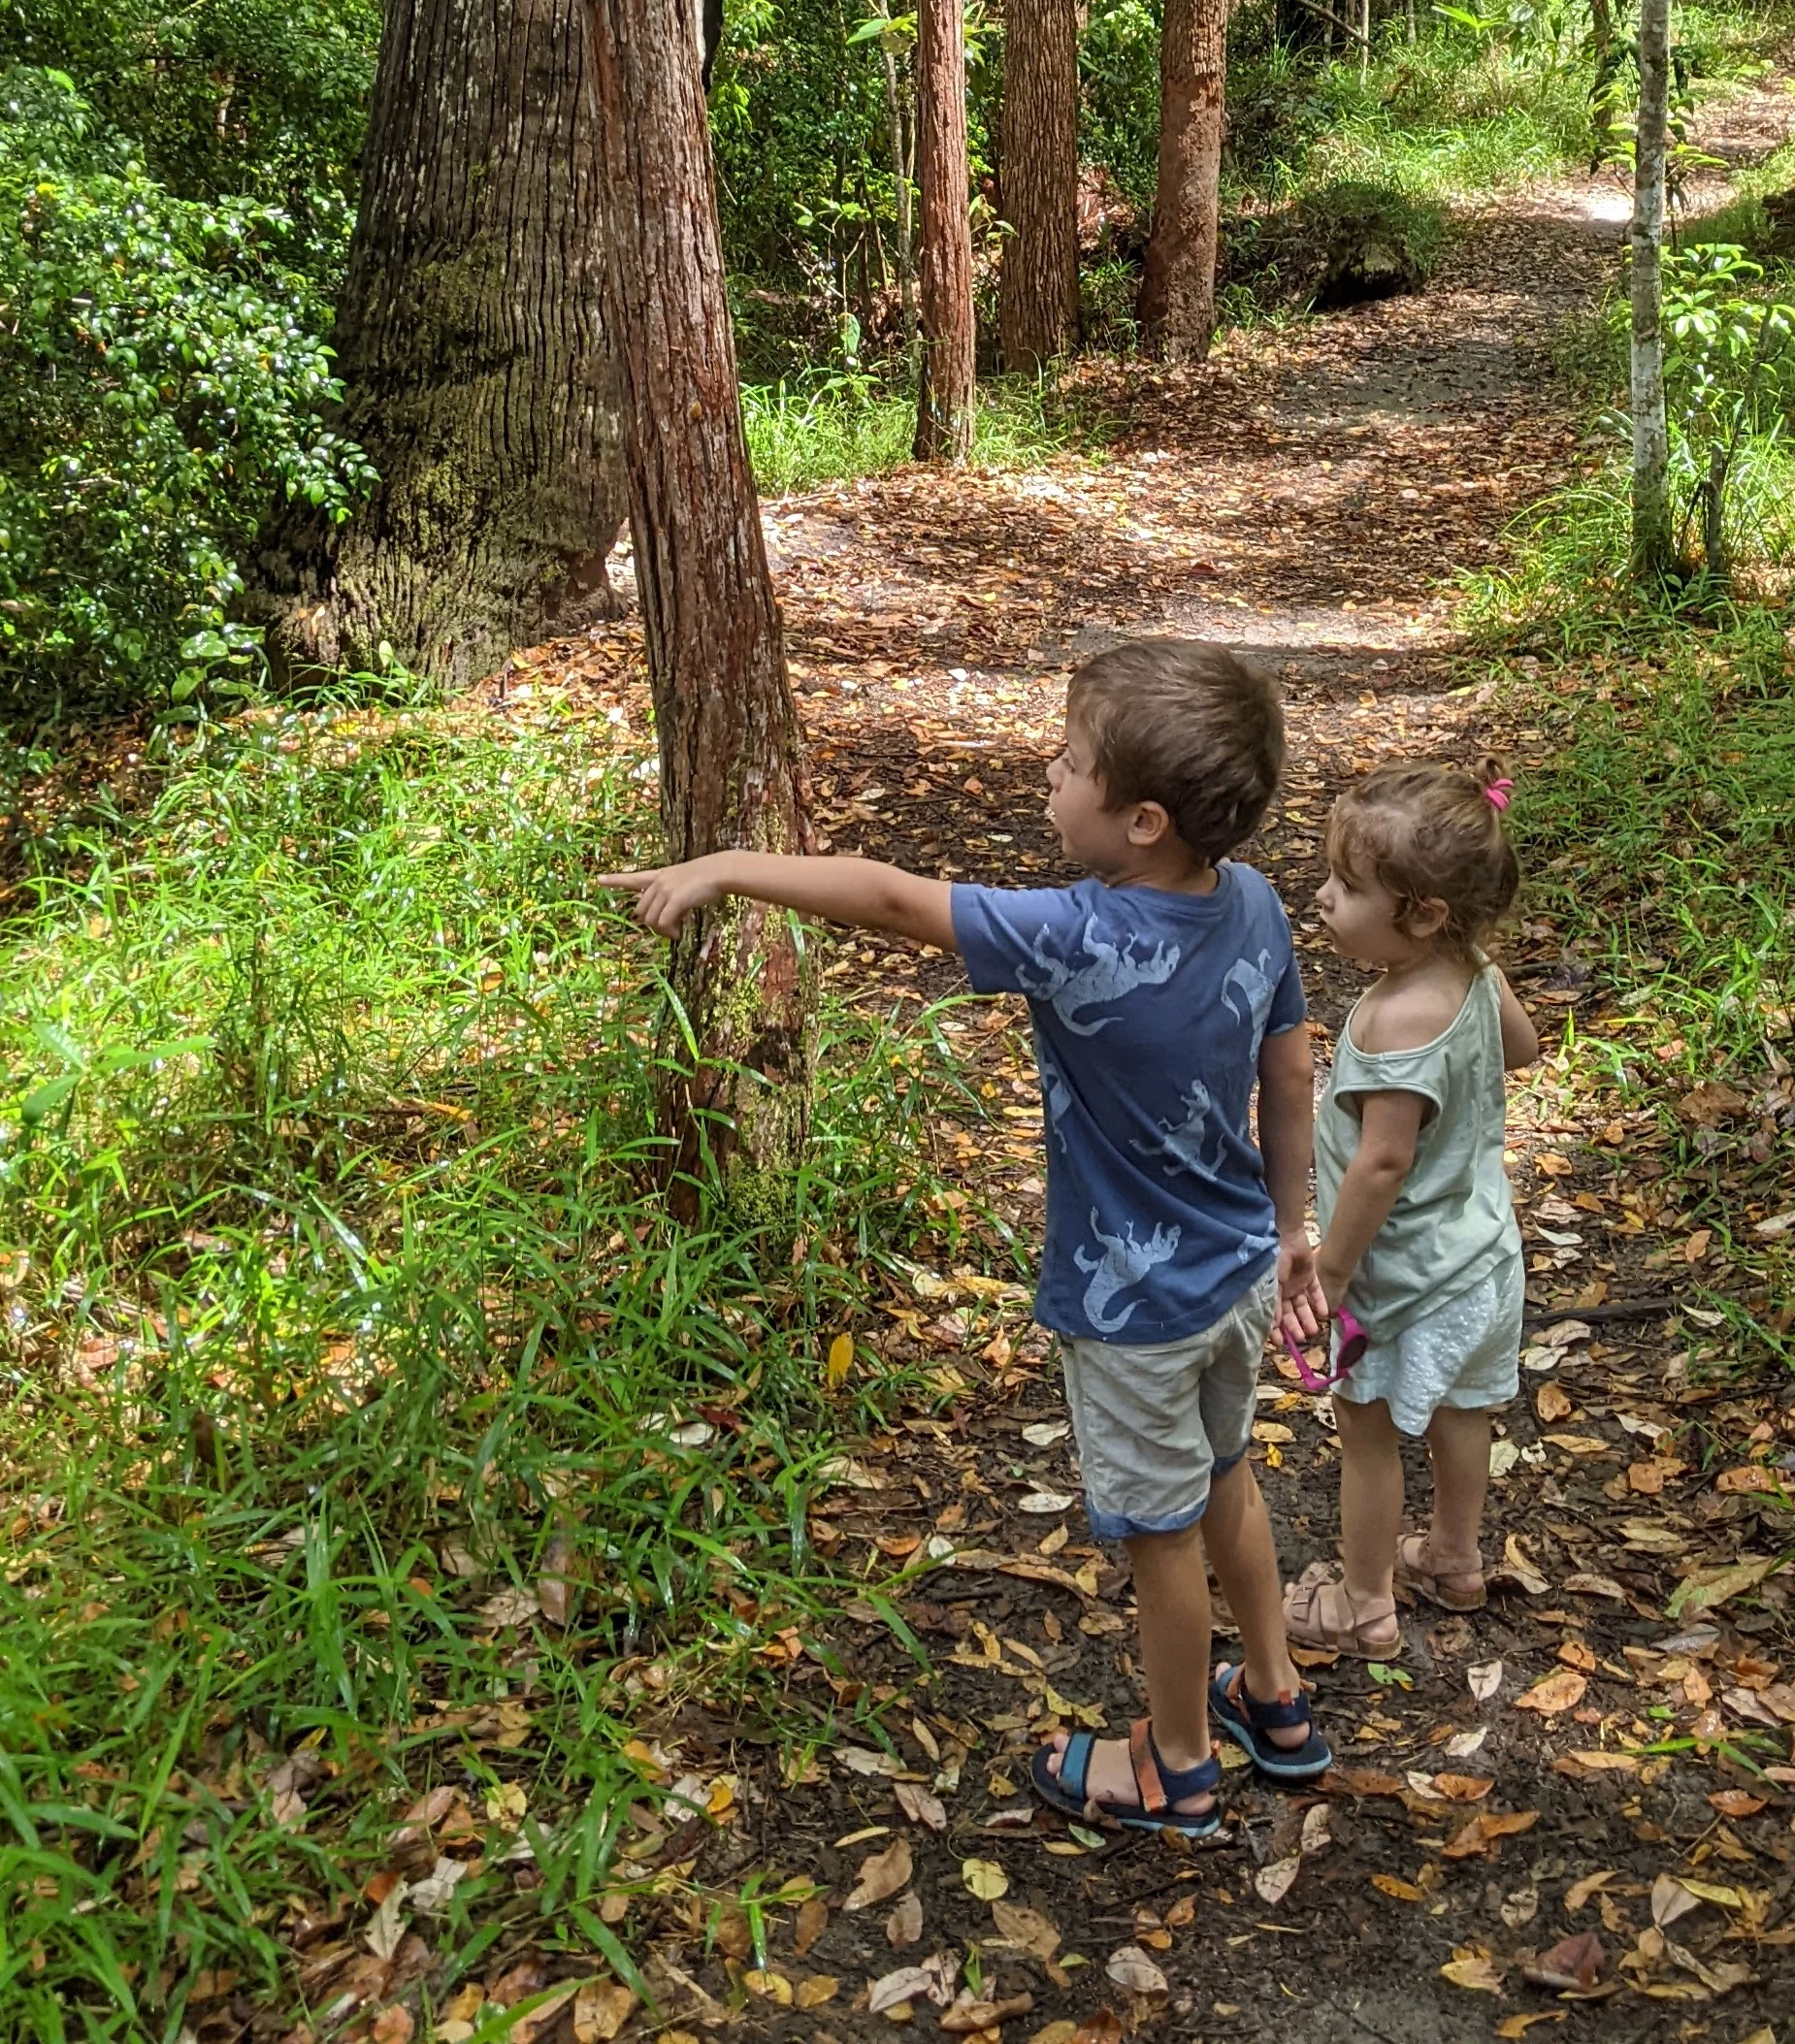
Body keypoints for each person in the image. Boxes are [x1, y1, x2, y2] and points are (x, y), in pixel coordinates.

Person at [604, 637, 1328, 1839]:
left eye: (1071, 761)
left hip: (1133, 1311)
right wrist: (1294, 1224)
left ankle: (1177, 1767)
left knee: (1157, 1535)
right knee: (1223, 1475)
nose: (1048, 771)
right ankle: (1273, 1695)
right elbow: (1290, 1067)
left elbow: (891, 899)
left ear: (1141, 818)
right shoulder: (1250, 901)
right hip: (1241, 1268)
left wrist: (724, 865)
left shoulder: (1078, 934)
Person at [1278, 762, 1539, 1657]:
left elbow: (1382, 1159)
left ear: (1424, 913)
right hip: (1484, 1257)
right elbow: (1522, 1050)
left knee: (1368, 1429)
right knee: (1465, 1410)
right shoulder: (1473, 969)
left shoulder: (1394, 1020)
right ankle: (1454, 1557)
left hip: (1406, 1276)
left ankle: (1362, 1603)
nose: (1322, 899)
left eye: (1348, 888)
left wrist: (1333, 1269)